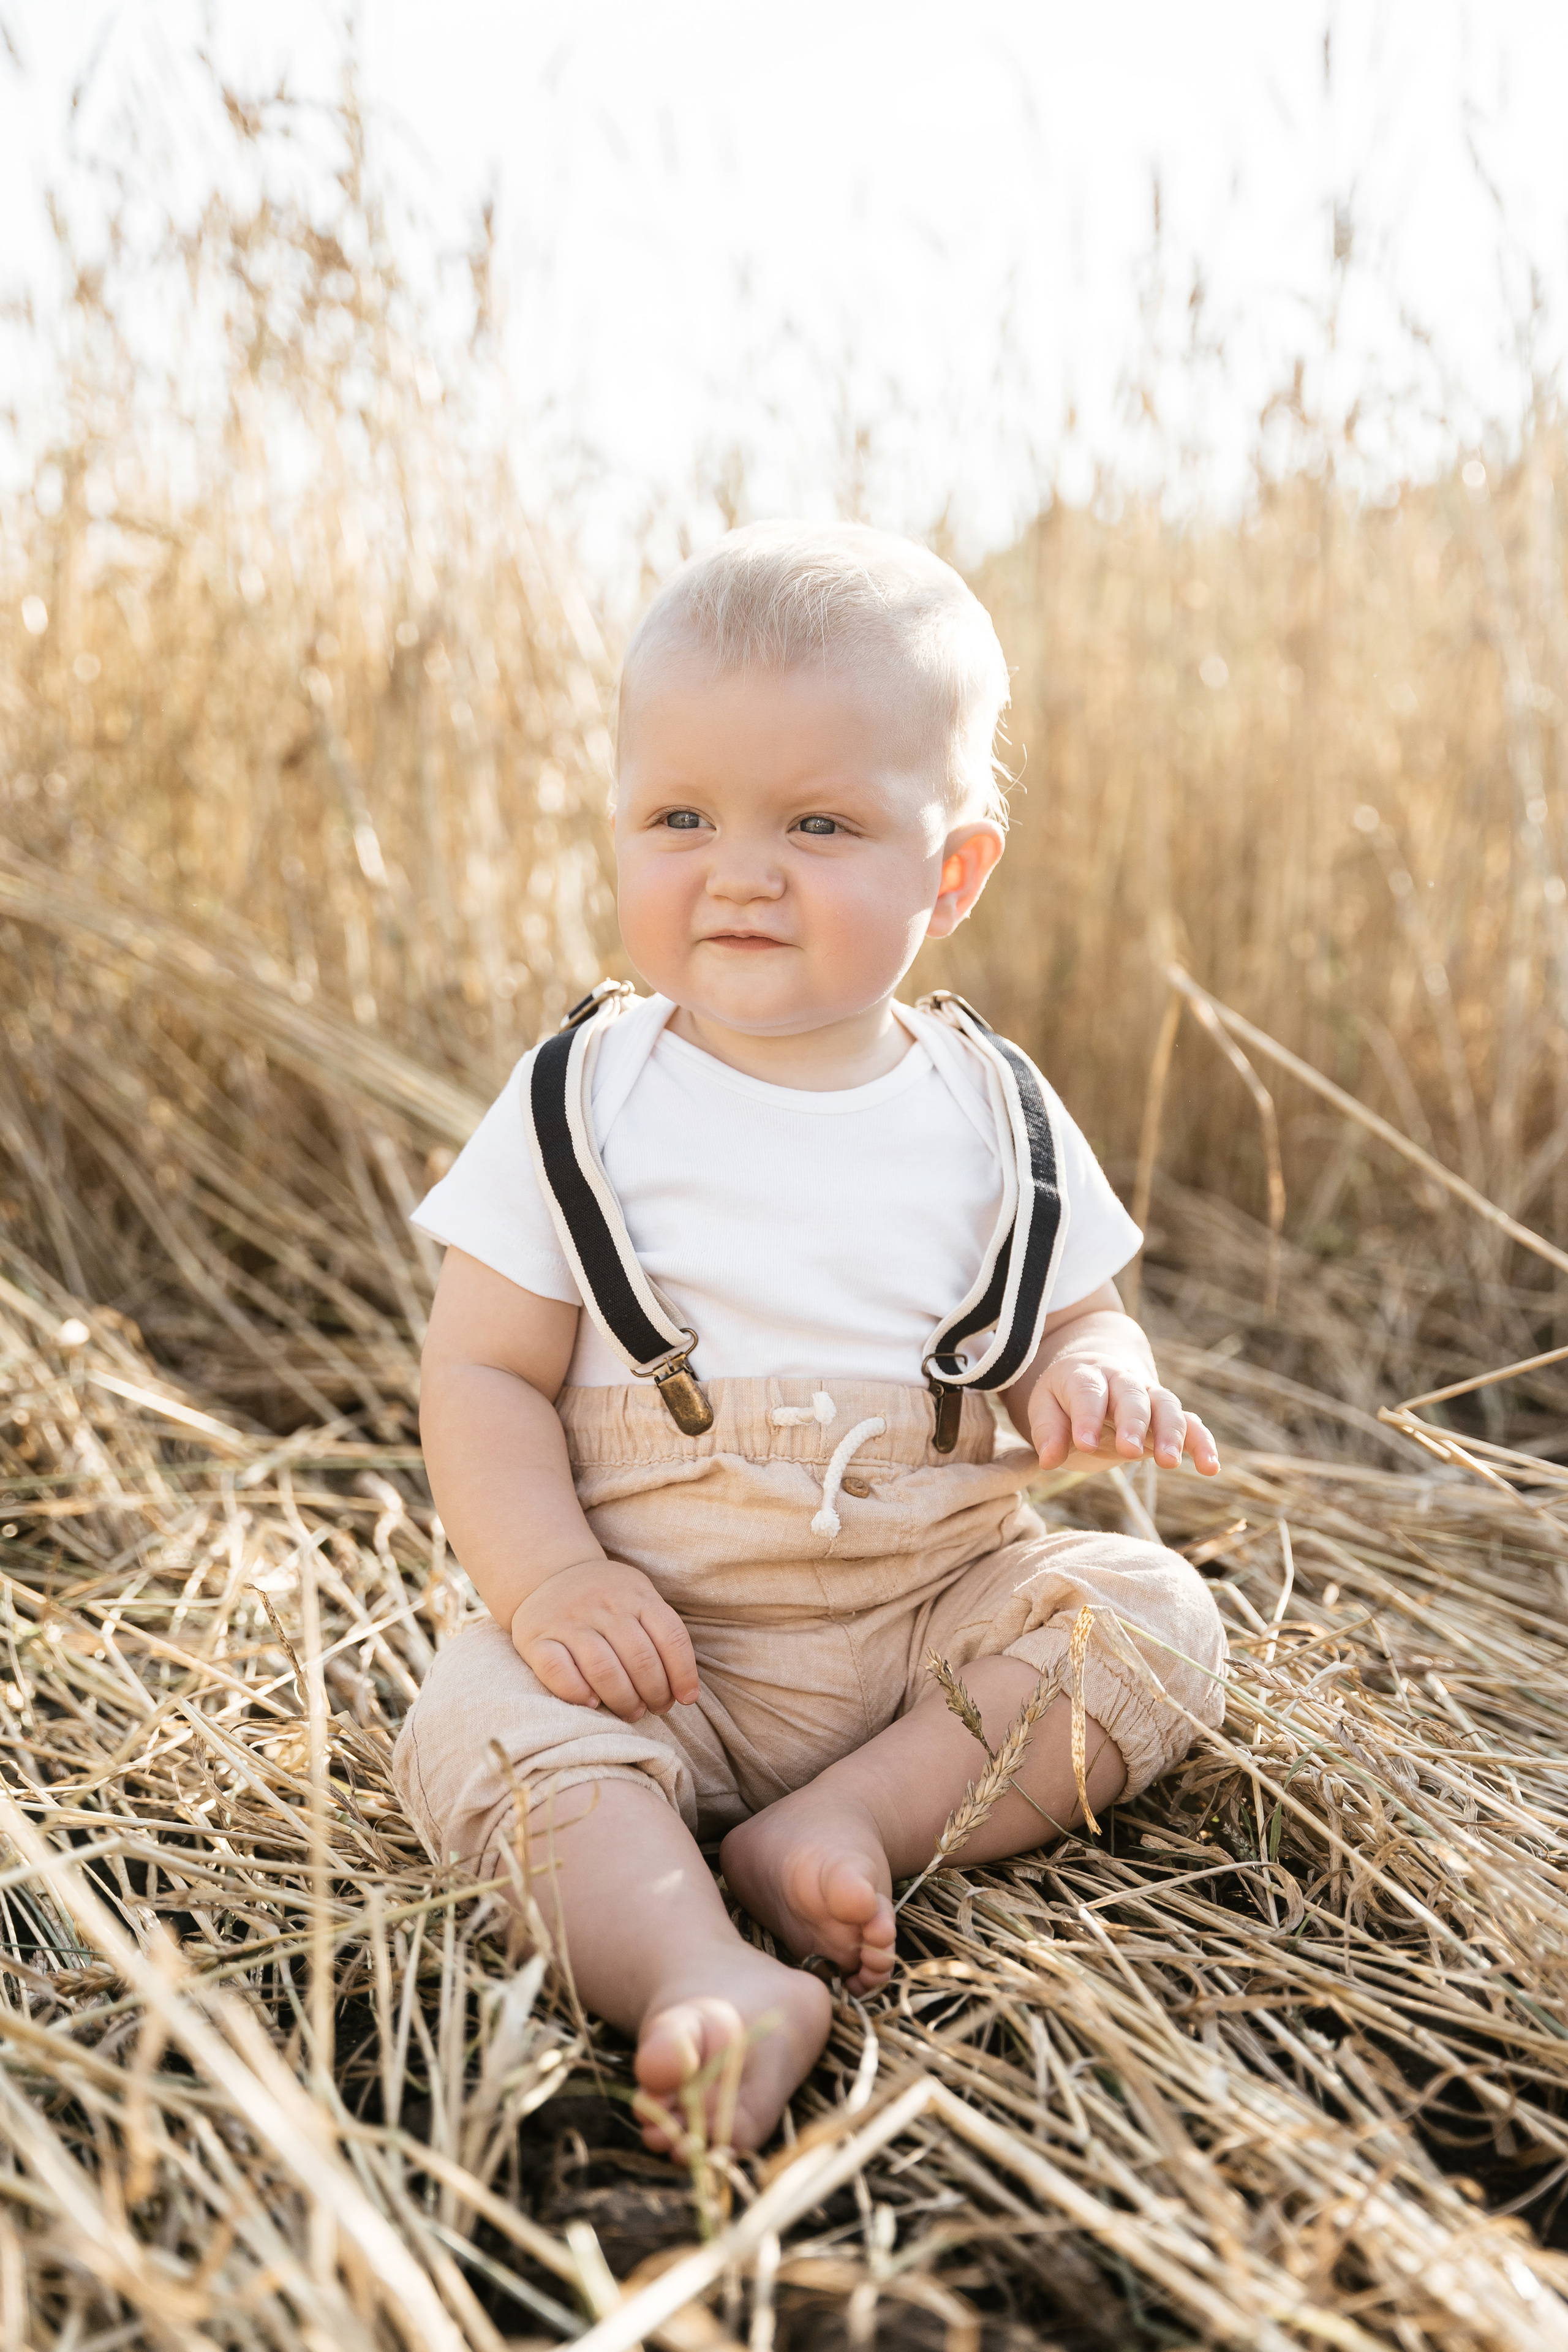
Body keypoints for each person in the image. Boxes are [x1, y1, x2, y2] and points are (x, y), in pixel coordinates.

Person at [394, 521, 1227, 2154]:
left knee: (1155, 1618)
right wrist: (552, 1584)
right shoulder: (582, 1101)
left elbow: (1078, 1308)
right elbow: (481, 1372)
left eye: (819, 823)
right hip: (658, 1653)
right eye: (682, 818)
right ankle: (697, 1970)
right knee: (480, 1716)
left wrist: (1095, 1374)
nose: (741, 870)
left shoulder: (997, 1110)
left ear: (952, 873)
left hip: (933, 1623)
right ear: (619, 825)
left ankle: (851, 1822)